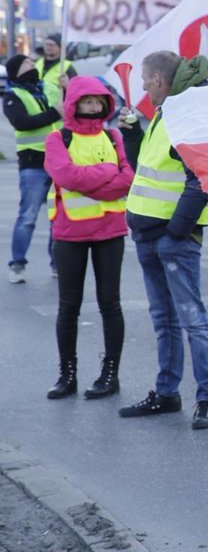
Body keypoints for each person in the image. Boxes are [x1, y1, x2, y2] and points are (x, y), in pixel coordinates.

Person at [118, 51, 208, 430]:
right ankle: (166, 393)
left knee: (192, 320)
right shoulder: (168, 110)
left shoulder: (186, 114)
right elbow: (149, 170)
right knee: (164, 320)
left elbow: (202, 180)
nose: (142, 86)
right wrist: (133, 136)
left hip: (170, 238)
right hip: (149, 234)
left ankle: (207, 400)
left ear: (159, 80)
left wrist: (176, 232)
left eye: (146, 79)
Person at [43, 76, 134, 400]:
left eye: (99, 101)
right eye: (88, 101)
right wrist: (106, 173)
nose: (95, 107)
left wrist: (88, 181)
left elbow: (127, 179)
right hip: (70, 233)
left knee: (110, 303)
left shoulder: (113, 135)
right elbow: (64, 175)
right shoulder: (59, 138)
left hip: (110, 230)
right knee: (69, 306)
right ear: (74, 104)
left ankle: (111, 374)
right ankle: (67, 374)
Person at [4, 54, 62, 283]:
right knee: (27, 217)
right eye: (27, 64)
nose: (32, 66)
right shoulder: (12, 95)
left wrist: (68, 86)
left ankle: (56, 262)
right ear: (16, 71)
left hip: (58, 161)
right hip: (33, 163)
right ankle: (17, 264)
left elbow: (68, 107)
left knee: (56, 216)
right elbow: (22, 122)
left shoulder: (49, 87)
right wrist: (54, 114)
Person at [35, 33, 76, 107]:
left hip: (57, 108)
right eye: (46, 44)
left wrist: (67, 86)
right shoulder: (37, 63)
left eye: (52, 45)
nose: (48, 47)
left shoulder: (66, 66)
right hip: (38, 105)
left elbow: (75, 90)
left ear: (60, 48)